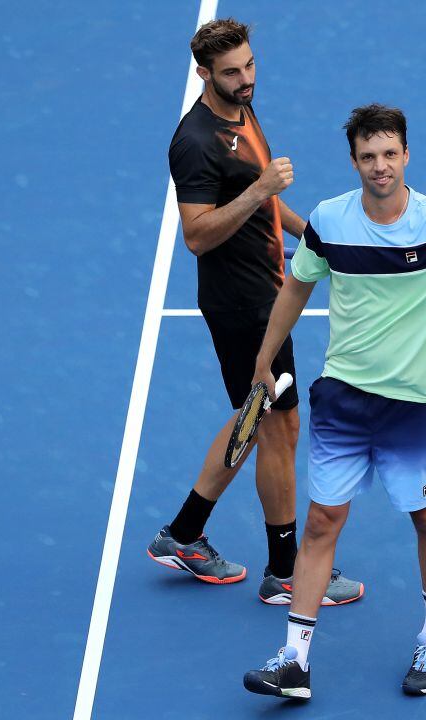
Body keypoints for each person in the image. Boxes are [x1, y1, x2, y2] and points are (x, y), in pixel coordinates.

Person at [242, 104, 426, 699]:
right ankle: (294, 660)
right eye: (367, 156)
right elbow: (298, 285)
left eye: (389, 154)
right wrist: (264, 355)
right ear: (354, 161)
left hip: (417, 407)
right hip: (345, 400)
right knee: (324, 519)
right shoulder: (329, 221)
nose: (380, 166)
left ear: (406, 155)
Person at [146, 18, 362, 607]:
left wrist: (319, 239)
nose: (245, 80)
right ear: (203, 75)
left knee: (259, 414)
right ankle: (285, 570)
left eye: (249, 66)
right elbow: (196, 235)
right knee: (279, 425)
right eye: (231, 73)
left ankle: (184, 533)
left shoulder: (242, 110)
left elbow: (265, 202)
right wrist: (259, 188)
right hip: (244, 306)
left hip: (266, 289)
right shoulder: (193, 142)